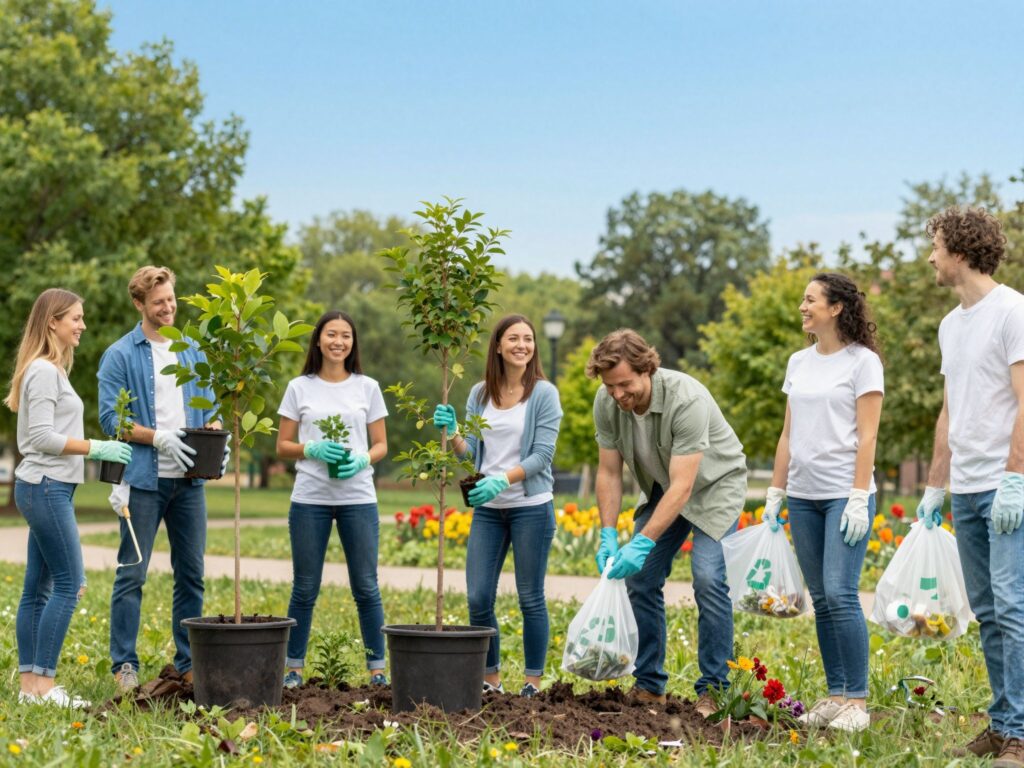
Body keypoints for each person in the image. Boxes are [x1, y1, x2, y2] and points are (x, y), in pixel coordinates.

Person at [586, 329, 746, 714]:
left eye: (625, 384)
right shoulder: (606, 403)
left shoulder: (686, 398)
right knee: (640, 577)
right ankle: (649, 684)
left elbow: (684, 486)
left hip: (715, 485)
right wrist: (608, 533)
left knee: (708, 577)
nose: (618, 394)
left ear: (647, 369)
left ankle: (714, 689)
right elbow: (609, 472)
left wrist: (642, 543)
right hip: (664, 483)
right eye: (610, 386)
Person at [915, 207, 1024, 765]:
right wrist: (936, 486)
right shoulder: (950, 325)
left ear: (959, 251)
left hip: (1008, 489)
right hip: (967, 488)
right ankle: (1003, 725)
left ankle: (1020, 733)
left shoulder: (1013, 311)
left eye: (935, 246)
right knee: (987, 610)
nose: (930, 257)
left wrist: (1015, 478)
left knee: (1013, 606)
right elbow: (950, 410)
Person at [762, 273, 883, 732]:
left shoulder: (863, 362)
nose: (802, 306)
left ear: (836, 308)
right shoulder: (799, 361)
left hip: (843, 495)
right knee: (821, 599)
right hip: (803, 495)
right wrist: (776, 491)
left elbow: (868, 436)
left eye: (810, 299)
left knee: (840, 591)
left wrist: (858, 496)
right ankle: (835, 695)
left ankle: (857, 701)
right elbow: (788, 433)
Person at [98, 266, 225, 692]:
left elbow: (210, 410)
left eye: (171, 299)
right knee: (132, 574)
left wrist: (216, 435)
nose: (168, 308)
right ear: (139, 304)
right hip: (143, 481)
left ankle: (187, 663)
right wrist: (158, 438)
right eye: (158, 303)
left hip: (190, 481)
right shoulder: (120, 355)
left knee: (191, 574)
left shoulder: (192, 351)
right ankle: (124, 665)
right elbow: (111, 419)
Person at [5, 288, 132, 707]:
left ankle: (31, 688)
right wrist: (96, 447)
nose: (82, 325)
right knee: (70, 584)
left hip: (44, 486)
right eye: (75, 318)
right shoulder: (44, 371)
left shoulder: (51, 370)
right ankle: (43, 686)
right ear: (52, 322)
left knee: (37, 590)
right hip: (46, 486)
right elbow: (41, 437)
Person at [432, 314, 562, 697]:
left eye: (528, 339)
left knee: (530, 597)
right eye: (514, 339)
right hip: (489, 511)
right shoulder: (479, 393)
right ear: (499, 346)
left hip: (531, 506)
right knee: (478, 597)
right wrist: (453, 431)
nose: (522, 345)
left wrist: (502, 480)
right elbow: (471, 455)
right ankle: (490, 679)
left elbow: (542, 456)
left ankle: (532, 682)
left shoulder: (544, 394)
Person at [276, 310, 389, 688]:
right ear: (318, 340)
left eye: (345, 335)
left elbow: (381, 444)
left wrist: (363, 459)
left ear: (353, 343)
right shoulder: (299, 387)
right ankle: (293, 669)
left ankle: (377, 670)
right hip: (310, 498)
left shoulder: (367, 387)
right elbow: (283, 445)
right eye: (331, 334)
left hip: (359, 497)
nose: (338, 342)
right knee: (305, 587)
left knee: (366, 587)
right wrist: (311, 448)